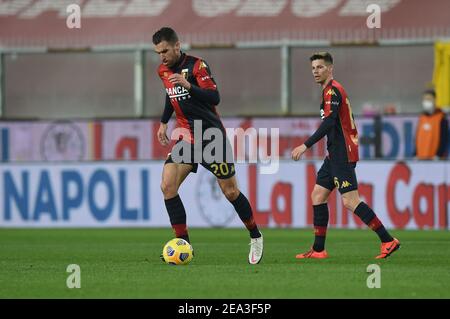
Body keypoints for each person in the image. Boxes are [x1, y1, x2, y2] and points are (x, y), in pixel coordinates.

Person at [152, 27, 263, 264]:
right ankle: (184, 245)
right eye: (158, 52)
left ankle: (255, 235)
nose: (161, 56)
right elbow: (170, 96)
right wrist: (163, 123)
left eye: (164, 51)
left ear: (177, 45)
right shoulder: (162, 70)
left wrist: (188, 85)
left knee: (231, 192)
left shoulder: (197, 66)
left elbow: (215, 97)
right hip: (186, 138)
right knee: (167, 186)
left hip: (212, 138)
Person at [291, 52, 400, 259]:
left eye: (320, 67)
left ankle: (388, 240)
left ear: (330, 69)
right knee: (318, 196)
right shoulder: (328, 91)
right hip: (334, 155)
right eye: (313, 68)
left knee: (350, 201)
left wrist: (305, 145)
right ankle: (319, 250)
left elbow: (330, 123)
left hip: (343, 154)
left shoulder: (332, 91)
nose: (316, 71)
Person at [415, 89, 448, 160]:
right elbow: (417, 137)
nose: (426, 102)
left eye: (429, 99)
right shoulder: (422, 118)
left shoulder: (441, 117)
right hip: (421, 157)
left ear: (434, 100)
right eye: (424, 99)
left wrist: (439, 155)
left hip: (435, 159)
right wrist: (415, 153)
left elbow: (444, 138)